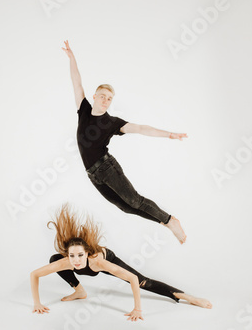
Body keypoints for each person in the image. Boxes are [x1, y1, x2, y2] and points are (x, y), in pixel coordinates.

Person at [61, 40, 189, 244]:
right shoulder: (84, 109)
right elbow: (77, 82)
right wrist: (72, 58)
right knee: (125, 207)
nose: (105, 100)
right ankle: (164, 221)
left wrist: (169, 134)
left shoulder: (112, 122)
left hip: (106, 168)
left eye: (109, 98)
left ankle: (170, 221)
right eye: (102, 96)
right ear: (94, 96)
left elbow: (140, 129)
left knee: (135, 200)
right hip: (92, 175)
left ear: (111, 102)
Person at [30, 204, 212, 322]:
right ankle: (79, 291)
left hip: (107, 257)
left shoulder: (98, 262)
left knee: (143, 281)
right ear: (67, 256)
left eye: (79, 255)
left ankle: (189, 297)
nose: (76, 261)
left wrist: (137, 309)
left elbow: (132, 278)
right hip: (80, 261)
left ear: (87, 253)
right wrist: (37, 303)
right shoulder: (66, 262)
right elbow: (34, 274)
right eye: (72, 256)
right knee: (53, 260)